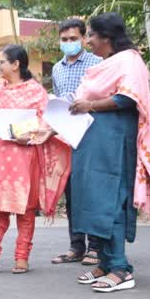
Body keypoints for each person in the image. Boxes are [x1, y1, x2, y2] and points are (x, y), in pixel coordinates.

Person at [66, 12, 150, 293]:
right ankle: (106, 262)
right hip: (93, 143)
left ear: (107, 37)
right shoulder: (108, 64)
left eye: (92, 35)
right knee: (93, 199)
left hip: (115, 143)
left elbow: (126, 98)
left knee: (112, 200)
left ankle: (120, 268)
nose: (88, 40)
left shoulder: (129, 60)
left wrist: (89, 106)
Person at [0, 45, 71, 275]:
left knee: (25, 210)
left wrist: (29, 133)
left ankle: (22, 258)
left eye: (1, 62)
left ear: (16, 64)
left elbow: (47, 122)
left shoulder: (36, 91)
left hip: (25, 156)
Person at [50, 18, 103, 267]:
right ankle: (76, 246)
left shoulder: (98, 63)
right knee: (72, 194)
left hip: (92, 133)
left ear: (84, 38)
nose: (69, 43)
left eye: (73, 38)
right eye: (64, 39)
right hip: (66, 137)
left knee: (92, 192)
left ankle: (95, 247)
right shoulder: (57, 69)